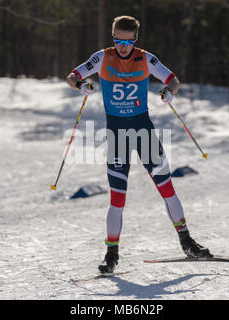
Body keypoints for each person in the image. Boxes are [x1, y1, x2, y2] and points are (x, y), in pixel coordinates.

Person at [66, 15, 212, 273]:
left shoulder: (146, 58)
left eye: (128, 41)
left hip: (143, 131)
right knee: (117, 199)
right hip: (118, 136)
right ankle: (111, 255)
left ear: (135, 39)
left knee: (166, 188)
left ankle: (187, 242)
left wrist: (169, 91)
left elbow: (173, 80)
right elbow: (72, 75)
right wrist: (81, 85)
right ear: (113, 38)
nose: (122, 46)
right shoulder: (102, 57)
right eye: (118, 41)